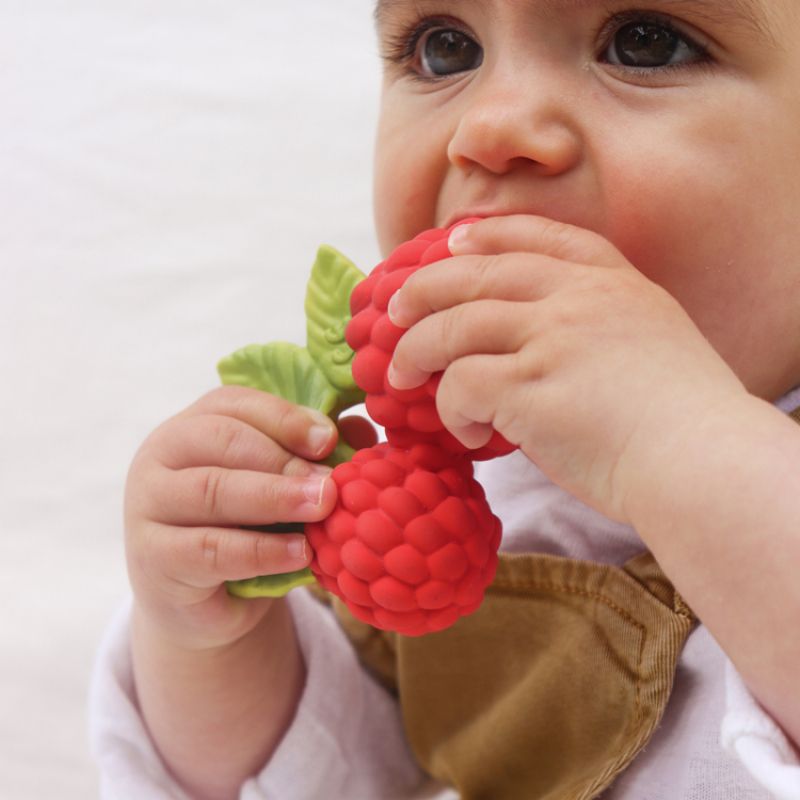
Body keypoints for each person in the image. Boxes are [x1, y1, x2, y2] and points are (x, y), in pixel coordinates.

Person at [90, 1, 800, 798]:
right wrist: (205, 642)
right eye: (444, 50)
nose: (492, 126)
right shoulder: (428, 492)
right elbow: (327, 778)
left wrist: (675, 437)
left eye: (647, 43)